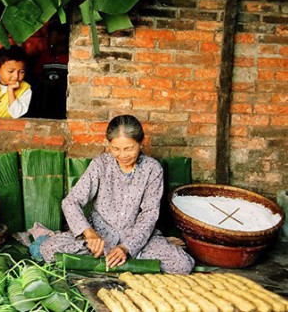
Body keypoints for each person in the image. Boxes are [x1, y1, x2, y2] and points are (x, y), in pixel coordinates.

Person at [39, 115, 194, 274]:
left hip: (135, 238)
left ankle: (119, 257)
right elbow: (70, 201)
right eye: (116, 149)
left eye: (129, 148)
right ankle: (122, 260)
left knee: (182, 264)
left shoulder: (152, 169)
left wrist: (126, 247)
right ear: (109, 145)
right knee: (48, 249)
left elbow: (149, 215)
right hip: (100, 237)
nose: (122, 155)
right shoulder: (100, 165)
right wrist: (90, 234)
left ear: (141, 143)